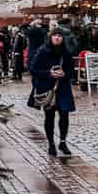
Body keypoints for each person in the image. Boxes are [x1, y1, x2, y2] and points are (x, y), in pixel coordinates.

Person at [28, 27, 76, 158]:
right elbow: (32, 69)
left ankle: (62, 141)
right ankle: (51, 143)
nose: (57, 38)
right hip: (48, 88)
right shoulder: (43, 51)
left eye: (60, 36)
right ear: (50, 37)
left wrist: (64, 74)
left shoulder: (66, 52)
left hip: (63, 88)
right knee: (49, 117)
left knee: (64, 115)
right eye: (55, 35)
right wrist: (49, 73)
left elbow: (71, 71)